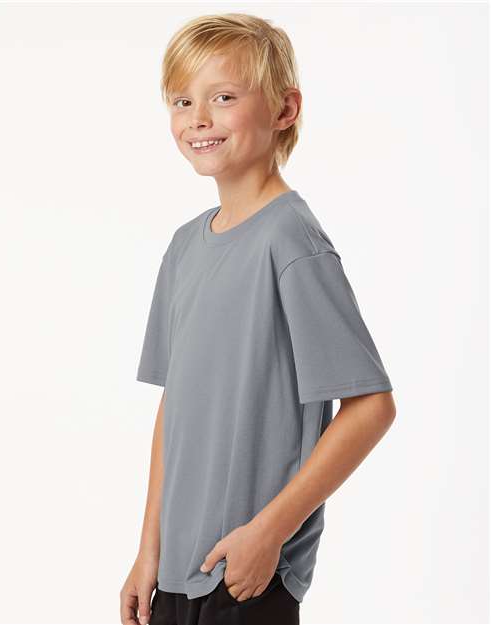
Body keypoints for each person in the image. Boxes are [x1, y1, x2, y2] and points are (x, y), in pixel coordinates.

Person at [120, 12, 396, 625]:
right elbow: (174, 406)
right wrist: (148, 552)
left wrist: (270, 532)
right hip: (175, 575)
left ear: (284, 110)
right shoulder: (184, 247)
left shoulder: (290, 239)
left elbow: (371, 407)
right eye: (182, 101)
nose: (198, 118)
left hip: (246, 573)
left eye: (223, 97)